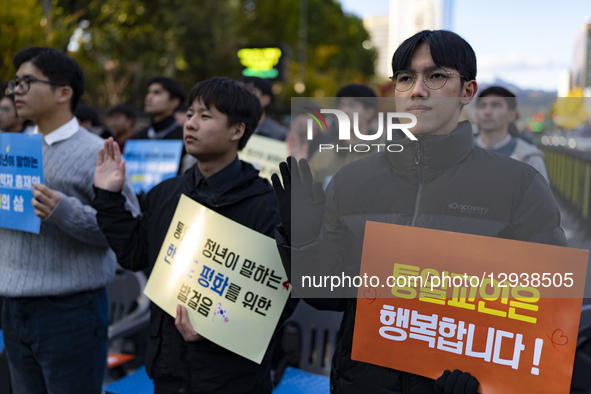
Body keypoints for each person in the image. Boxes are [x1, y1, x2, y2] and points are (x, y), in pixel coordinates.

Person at [273, 30, 566, 394]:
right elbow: (326, 294)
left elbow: (548, 306)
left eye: (436, 76)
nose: (417, 89)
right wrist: (301, 239)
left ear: (467, 92)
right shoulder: (352, 180)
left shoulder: (518, 184)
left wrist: (492, 385)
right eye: (406, 78)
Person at [93, 76, 296, 393]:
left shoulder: (267, 208)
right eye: (189, 114)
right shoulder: (167, 193)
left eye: (205, 116)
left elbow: (278, 299)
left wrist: (221, 328)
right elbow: (134, 254)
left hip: (231, 378)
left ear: (237, 130)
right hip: (168, 372)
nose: (191, 124)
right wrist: (108, 197)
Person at [0, 47, 139, 394]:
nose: (16, 90)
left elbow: (126, 230)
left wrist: (64, 211)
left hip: (70, 310)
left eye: (27, 82)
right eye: (14, 82)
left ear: (64, 92)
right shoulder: (13, 148)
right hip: (13, 305)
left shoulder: (97, 151)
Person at [308, 83, 378, 186]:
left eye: (352, 105)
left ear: (369, 112)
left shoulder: (386, 155)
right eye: (341, 105)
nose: (344, 111)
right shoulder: (321, 157)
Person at [475, 86, 549, 182]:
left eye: (495, 105)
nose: (487, 111)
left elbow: (541, 196)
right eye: (482, 106)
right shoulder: (460, 153)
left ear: (511, 115)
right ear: (476, 114)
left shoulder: (530, 159)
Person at [134, 76, 185, 141]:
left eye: (157, 92)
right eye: (148, 92)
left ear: (174, 102)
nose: (149, 97)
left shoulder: (183, 138)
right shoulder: (139, 137)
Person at [242, 76, 289, 141]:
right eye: (242, 90)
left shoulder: (281, 135)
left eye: (250, 90)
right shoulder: (232, 129)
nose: (243, 95)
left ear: (266, 99)